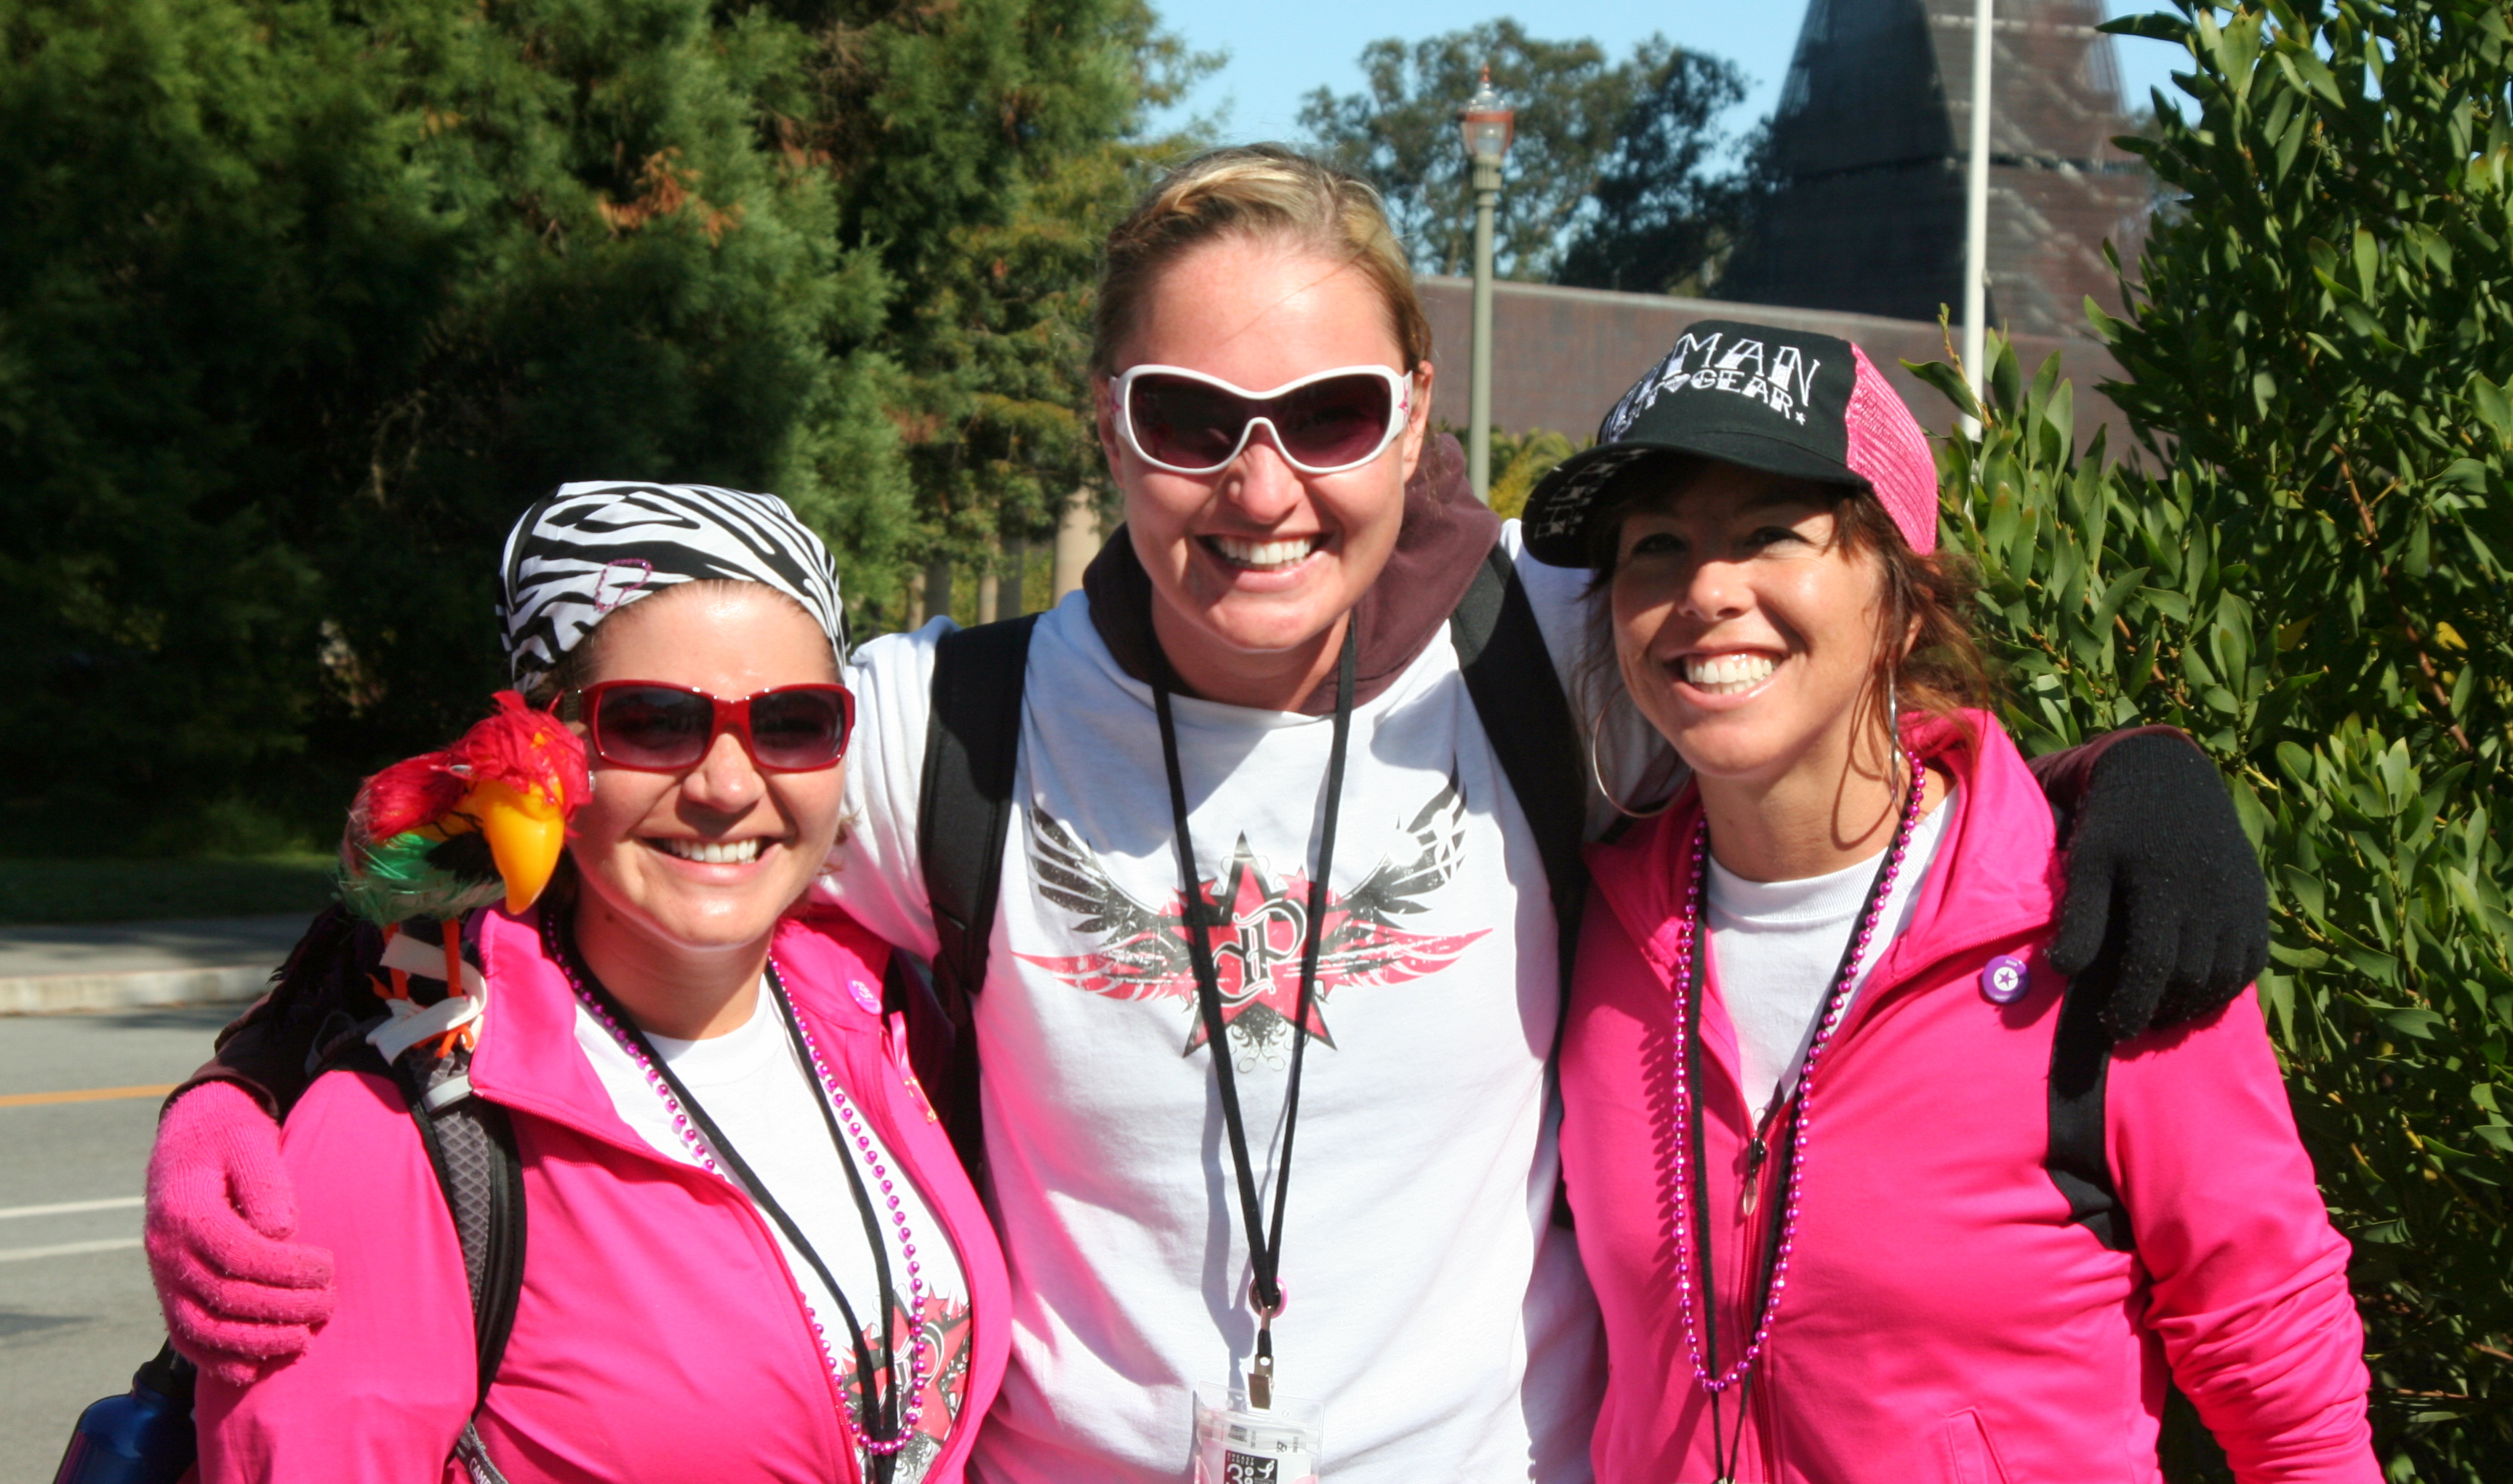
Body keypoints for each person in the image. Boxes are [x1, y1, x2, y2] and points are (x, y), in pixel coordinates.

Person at [149, 149, 2272, 1484]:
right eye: (1188, 422)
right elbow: (553, 808)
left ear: (1414, 418)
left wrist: (2119, 784)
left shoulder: (1559, 656)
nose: (1263, 488)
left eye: (1329, 416)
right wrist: (253, 1090)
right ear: (1111, 427)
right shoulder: (921, 727)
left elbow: (1830, 737)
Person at [1525, 322, 2376, 1481]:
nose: (1707, 591)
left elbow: (2279, 1368)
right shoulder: (1594, 921)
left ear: (1905, 599)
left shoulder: (2095, 922)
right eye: (1657, 546)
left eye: (1774, 534)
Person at [188, 484, 1009, 1484]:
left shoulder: (884, 1009)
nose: (727, 785)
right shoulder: (405, 1128)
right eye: (656, 722)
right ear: (548, 752)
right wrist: (233, 1090)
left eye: (793, 720)